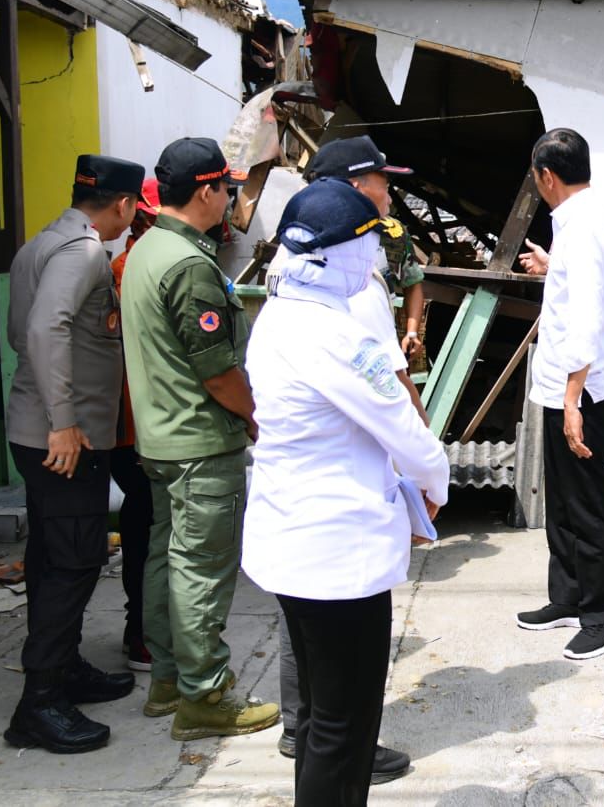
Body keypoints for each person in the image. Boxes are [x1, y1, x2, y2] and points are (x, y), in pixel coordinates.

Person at [243, 179, 449, 807]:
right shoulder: (340, 337)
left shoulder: (278, 315)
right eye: (368, 243)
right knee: (344, 725)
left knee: (316, 717)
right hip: (339, 559)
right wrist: (433, 487)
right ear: (332, 254)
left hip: (288, 543)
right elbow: (408, 435)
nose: (376, 258)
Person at [265, 137, 419, 780]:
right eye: (381, 181)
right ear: (350, 190)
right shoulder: (344, 280)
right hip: (339, 514)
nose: (389, 193)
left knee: (303, 624)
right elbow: (385, 386)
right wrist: (423, 461)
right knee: (340, 691)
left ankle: (306, 726)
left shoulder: (292, 275)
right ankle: (318, 731)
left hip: (298, 513)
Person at [121, 137, 280, 740]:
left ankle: (167, 680)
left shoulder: (147, 248)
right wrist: (252, 415)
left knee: (167, 561)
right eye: (228, 189)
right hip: (198, 443)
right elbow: (217, 372)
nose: (232, 199)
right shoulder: (189, 265)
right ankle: (204, 696)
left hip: (161, 440)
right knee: (201, 573)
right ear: (208, 190)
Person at [2, 155, 144, 753]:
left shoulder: (41, 243)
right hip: (64, 439)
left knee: (50, 557)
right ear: (123, 204)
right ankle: (40, 705)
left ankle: (65, 670)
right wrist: (63, 421)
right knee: (74, 563)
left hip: (39, 428)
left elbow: (20, 330)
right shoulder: (84, 253)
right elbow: (41, 331)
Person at [515, 128, 604, 660]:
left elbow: (585, 321)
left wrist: (571, 400)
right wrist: (550, 269)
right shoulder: (578, 221)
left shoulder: (582, 227)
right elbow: (580, 292)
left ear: (546, 176)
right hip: (566, 381)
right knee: (562, 500)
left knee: (588, 504)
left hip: (579, 387)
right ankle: (568, 597)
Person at [304, 136, 427, 361]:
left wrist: (411, 331)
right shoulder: (304, 242)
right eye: (384, 187)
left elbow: (413, 283)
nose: (390, 199)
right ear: (355, 188)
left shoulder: (393, 233)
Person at [109, 178, 162, 672]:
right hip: (132, 423)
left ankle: (144, 629)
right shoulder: (130, 269)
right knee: (144, 521)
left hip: (144, 419)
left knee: (147, 519)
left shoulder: (138, 264)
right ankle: (140, 631)